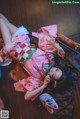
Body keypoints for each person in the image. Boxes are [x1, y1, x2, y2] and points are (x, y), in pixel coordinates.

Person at [0, 13, 65, 101]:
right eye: (56, 70)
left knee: (1, 22)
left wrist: (44, 85)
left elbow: (27, 97)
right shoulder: (50, 57)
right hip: (22, 40)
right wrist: (58, 47)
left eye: (53, 74)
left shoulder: (38, 79)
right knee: (3, 21)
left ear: (52, 80)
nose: (52, 70)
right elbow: (46, 38)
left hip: (13, 50)